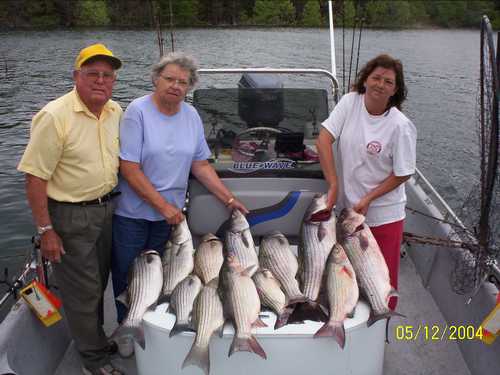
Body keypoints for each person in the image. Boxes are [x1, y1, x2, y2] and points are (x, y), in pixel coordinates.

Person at [111, 51, 248, 338]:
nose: (175, 85)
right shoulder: (137, 111)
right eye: (169, 78)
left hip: (171, 219)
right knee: (128, 279)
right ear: (155, 79)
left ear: (189, 88)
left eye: (182, 82)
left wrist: (229, 199)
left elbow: (199, 164)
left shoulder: (191, 115)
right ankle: (127, 331)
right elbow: (130, 168)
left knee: (162, 280)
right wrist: (162, 206)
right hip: (133, 215)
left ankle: (157, 332)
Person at [17, 43, 124, 375]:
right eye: (92, 74)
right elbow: (35, 179)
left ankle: (97, 341)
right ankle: (93, 361)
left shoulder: (115, 111)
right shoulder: (54, 116)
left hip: (108, 209)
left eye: (107, 75)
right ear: (76, 76)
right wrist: (46, 230)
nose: (100, 81)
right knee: (84, 292)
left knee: (100, 282)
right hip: (69, 215)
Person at [316, 54, 416, 310]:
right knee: (347, 276)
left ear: (395, 90)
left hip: (384, 216)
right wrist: (334, 184)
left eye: (388, 82)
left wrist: (370, 198)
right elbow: (324, 139)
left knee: (381, 279)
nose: (380, 85)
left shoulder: (401, 126)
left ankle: (381, 328)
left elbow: (403, 172)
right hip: (348, 210)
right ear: (366, 80)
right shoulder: (350, 102)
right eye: (376, 78)